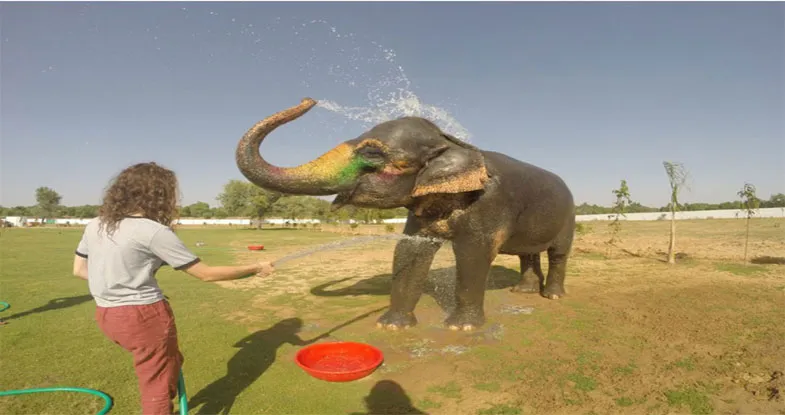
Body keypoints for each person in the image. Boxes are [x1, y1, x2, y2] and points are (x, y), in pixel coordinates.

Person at [71, 162, 275, 415]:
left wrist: (120, 278)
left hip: (106, 316)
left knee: (169, 362)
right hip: (144, 317)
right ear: (158, 194)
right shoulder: (153, 231)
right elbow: (206, 274)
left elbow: (79, 270)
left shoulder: (96, 224)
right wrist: (256, 267)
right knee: (155, 385)